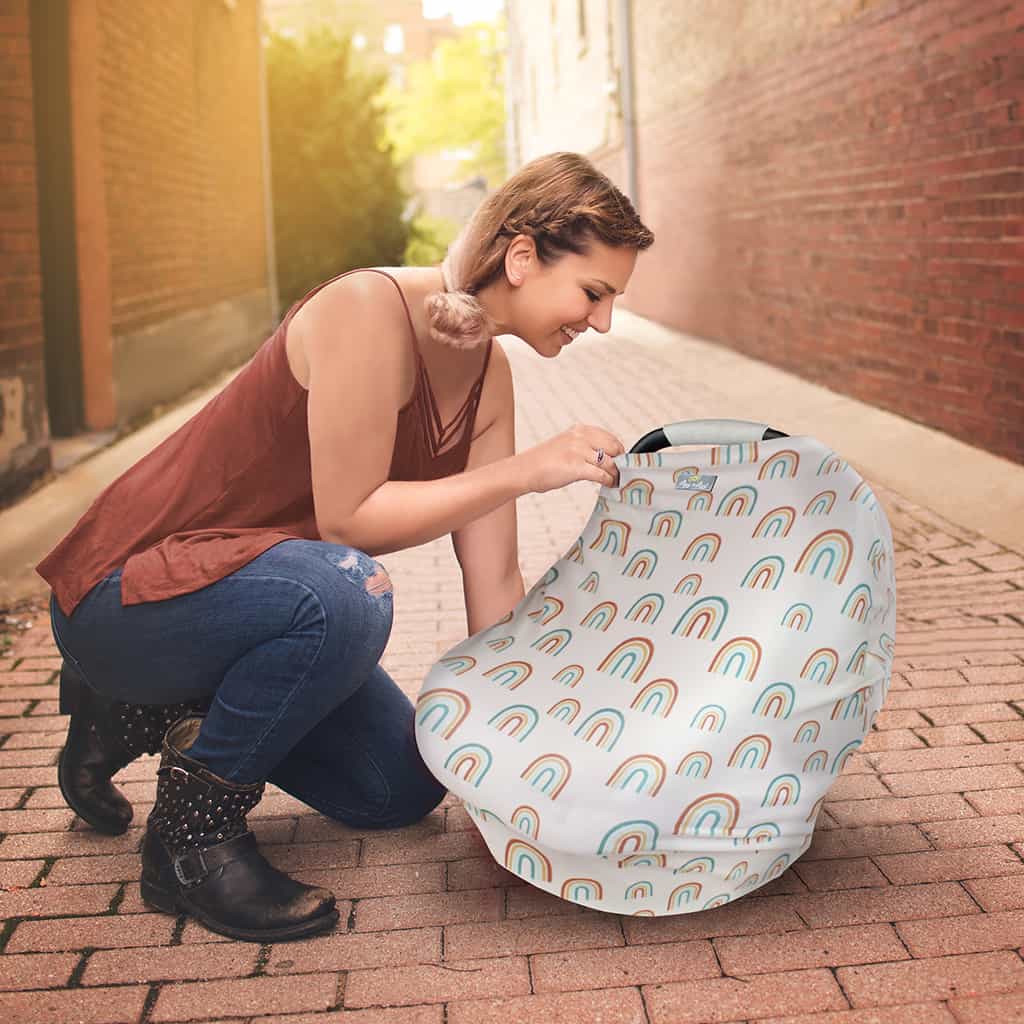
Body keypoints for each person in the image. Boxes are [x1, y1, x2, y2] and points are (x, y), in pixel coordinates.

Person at [37, 151, 655, 942]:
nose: (600, 321)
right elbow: (351, 521)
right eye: (594, 293)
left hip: (246, 600)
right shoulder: (369, 309)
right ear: (524, 256)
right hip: (125, 594)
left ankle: (128, 712)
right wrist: (528, 472)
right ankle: (190, 843)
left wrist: (535, 740)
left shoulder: (489, 378)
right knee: (348, 593)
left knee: (398, 788)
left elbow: (494, 576)